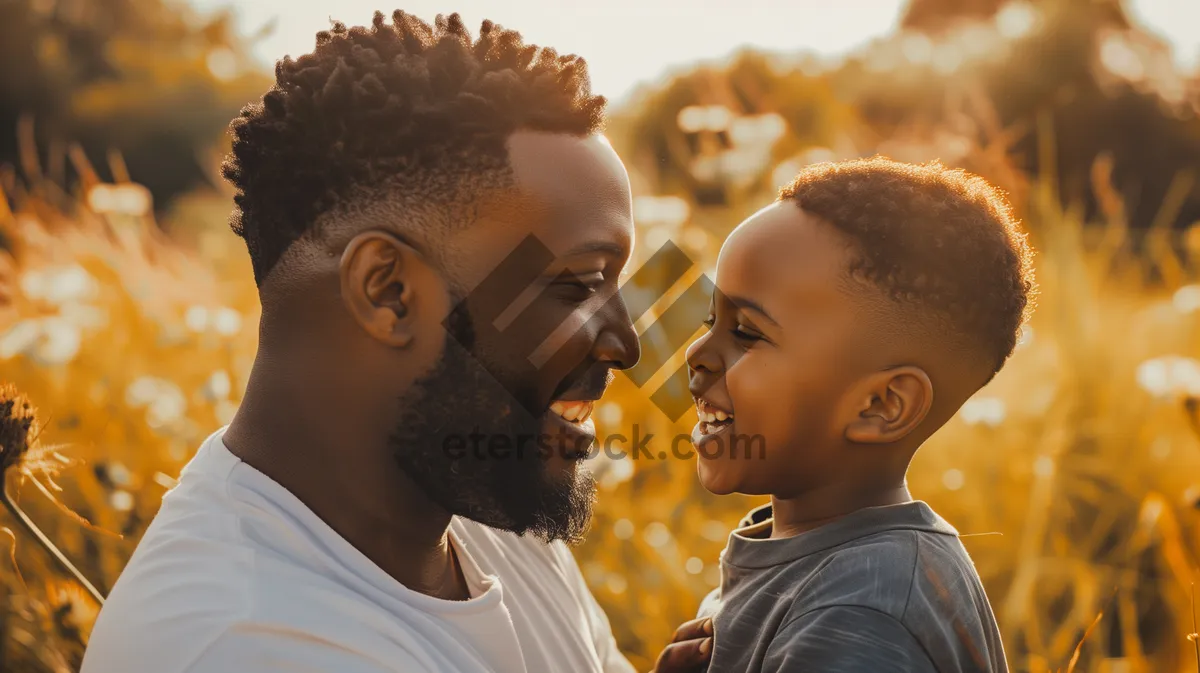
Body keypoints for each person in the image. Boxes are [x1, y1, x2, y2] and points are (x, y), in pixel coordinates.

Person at [82, 11, 710, 673]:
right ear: (388, 290)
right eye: (578, 282)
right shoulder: (244, 645)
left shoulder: (479, 505)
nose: (626, 344)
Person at [686, 158, 1034, 672]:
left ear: (881, 406)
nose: (697, 352)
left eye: (747, 333)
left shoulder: (860, 615)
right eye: (711, 319)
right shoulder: (814, 555)